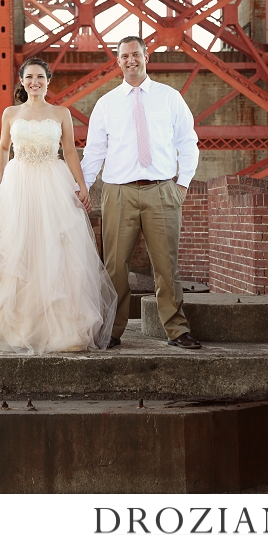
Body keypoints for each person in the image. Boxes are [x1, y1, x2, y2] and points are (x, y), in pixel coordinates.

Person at [0, 58, 117, 354]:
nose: (35, 82)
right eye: (29, 77)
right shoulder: (10, 113)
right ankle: (19, 329)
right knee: (17, 249)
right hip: (18, 182)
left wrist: (81, 186)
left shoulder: (61, 113)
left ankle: (61, 330)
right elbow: (3, 148)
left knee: (55, 250)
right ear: (22, 81)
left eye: (40, 77)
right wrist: (1, 176)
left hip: (54, 183)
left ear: (48, 80)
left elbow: (69, 151)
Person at [80, 36, 201, 350]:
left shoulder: (169, 97)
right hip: (118, 193)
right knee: (115, 267)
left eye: (135, 54)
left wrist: (183, 183)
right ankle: (112, 331)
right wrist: (79, 189)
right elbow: (93, 153)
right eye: (124, 56)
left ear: (146, 56)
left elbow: (188, 142)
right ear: (118, 62)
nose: (130, 60)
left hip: (162, 191)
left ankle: (176, 330)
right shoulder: (106, 104)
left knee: (166, 265)